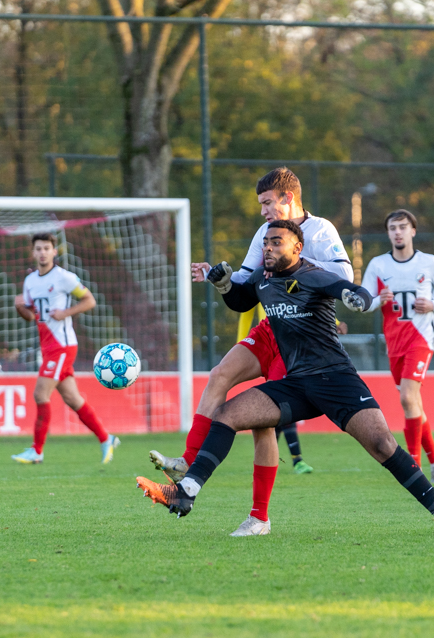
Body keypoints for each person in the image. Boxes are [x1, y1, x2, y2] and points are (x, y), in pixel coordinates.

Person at [136, 220, 434, 538]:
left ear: (297, 248)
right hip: (297, 384)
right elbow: (242, 301)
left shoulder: (313, 275)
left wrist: (357, 299)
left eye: (277, 242)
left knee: (382, 446)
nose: (268, 248)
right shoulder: (262, 278)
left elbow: (352, 291)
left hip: (336, 381)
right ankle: (184, 494)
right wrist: (225, 285)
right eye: (266, 242)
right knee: (227, 415)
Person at [148, 167, 352, 536]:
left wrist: (297, 269)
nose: (263, 212)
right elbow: (245, 281)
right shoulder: (265, 233)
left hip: (302, 337)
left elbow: (344, 275)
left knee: (262, 427)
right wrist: (219, 277)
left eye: (267, 203)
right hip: (270, 326)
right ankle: (187, 463)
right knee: (219, 375)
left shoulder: (321, 231)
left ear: (288, 199)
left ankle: (259, 518)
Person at [362, 210, 434, 483]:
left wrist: (433, 305)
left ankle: (412, 464)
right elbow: (363, 302)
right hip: (394, 343)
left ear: (413, 231)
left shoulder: (429, 263)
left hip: (421, 339)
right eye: (393, 228)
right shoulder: (378, 265)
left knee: (407, 398)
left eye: (403, 227)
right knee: (413, 402)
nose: (398, 232)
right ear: (388, 233)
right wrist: (378, 299)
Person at [11, 233, 120, 464]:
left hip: (63, 346)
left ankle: (37, 451)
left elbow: (89, 300)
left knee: (40, 393)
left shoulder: (64, 278)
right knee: (73, 398)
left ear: (54, 252)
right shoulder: (30, 281)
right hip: (48, 346)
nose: (42, 252)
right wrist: (20, 307)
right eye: (38, 249)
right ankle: (106, 438)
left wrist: (65, 313)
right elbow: (30, 317)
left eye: (46, 248)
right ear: (33, 252)